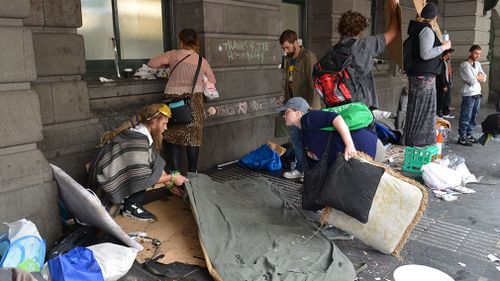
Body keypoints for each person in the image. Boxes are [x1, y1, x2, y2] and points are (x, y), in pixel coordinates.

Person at [88, 104, 188, 222]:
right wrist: (172, 177)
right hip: (104, 185)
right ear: (154, 121)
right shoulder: (138, 141)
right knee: (144, 174)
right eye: (164, 124)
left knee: (149, 168)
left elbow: (155, 163)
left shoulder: (142, 134)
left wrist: (170, 185)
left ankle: (128, 200)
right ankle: (130, 207)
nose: (166, 128)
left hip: (108, 177)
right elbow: (145, 176)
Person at [148, 29, 216, 173]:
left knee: (173, 136)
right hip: (194, 102)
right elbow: (212, 80)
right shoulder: (201, 61)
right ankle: (193, 175)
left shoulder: (172, 55)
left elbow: (152, 63)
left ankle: (175, 175)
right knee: (193, 138)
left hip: (174, 101)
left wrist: (168, 66)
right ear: (195, 42)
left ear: (181, 41)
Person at [330, 0, 400, 109]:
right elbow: (393, 31)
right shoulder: (364, 45)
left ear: (340, 30)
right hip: (360, 108)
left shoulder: (334, 51)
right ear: (359, 31)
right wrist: (394, 8)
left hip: (338, 108)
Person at [277, 97, 382, 168]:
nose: (284, 115)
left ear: (298, 112)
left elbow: (337, 119)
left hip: (368, 149)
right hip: (360, 156)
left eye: (287, 111)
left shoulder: (308, 118)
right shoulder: (305, 132)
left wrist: (349, 145)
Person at [403, 2, 452, 147]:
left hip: (420, 76)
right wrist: (444, 46)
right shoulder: (426, 30)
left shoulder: (419, 29)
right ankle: (419, 143)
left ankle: (413, 142)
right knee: (423, 112)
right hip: (424, 78)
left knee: (418, 110)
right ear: (434, 17)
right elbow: (425, 54)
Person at [279, 29, 320, 179]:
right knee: (296, 140)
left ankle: (309, 172)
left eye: (287, 47)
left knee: (309, 142)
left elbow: (314, 86)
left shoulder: (308, 58)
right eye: (283, 48)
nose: (285, 50)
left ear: (296, 43)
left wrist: (312, 110)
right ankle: (300, 169)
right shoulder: (289, 59)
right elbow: (289, 82)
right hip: (293, 107)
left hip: (306, 108)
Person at [457, 45, 487, 146]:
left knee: (473, 117)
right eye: (476, 53)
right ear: (470, 53)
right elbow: (472, 81)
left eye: (479, 54)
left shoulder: (477, 64)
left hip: (477, 93)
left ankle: (469, 135)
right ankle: (462, 137)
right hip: (469, 94)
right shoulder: (464, 65)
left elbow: (484, 78)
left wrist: (478, 77)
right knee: (466, 116)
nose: (478, 55)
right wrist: (478, 77)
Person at [436, 48, 455, 118]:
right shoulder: (441, 62)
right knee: (442, 99)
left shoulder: (446, 62)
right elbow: (441, 75)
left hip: (447, 82)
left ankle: (445, 112)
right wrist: (444, 85)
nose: (450, 55)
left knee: (447, 99)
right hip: (442, 84)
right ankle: (440, 112)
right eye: (449, 53)